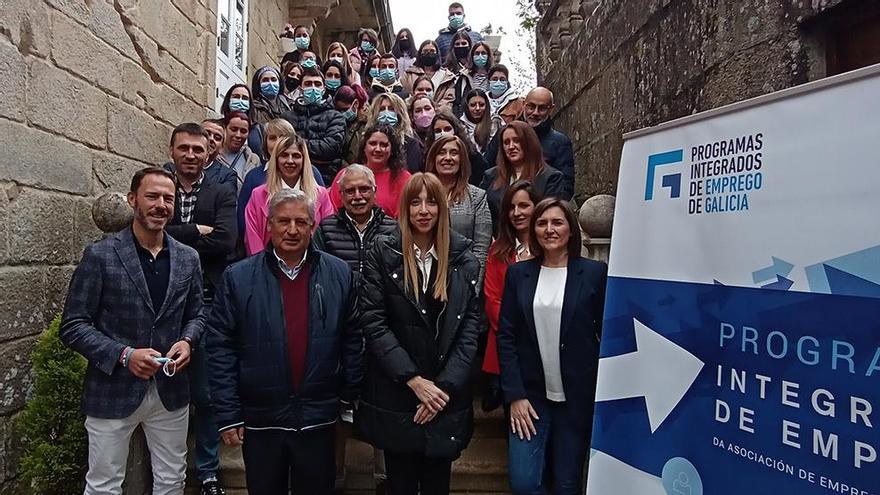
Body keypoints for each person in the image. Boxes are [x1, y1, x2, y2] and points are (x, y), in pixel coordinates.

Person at [207, 188, 362, 495]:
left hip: (318, 418)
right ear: (268, 224)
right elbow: (220, 347)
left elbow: (352, 338)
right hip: (262, 419)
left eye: (301, 222)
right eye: (283, 221)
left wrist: (347, 393)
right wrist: (227, 414)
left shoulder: (339, 274)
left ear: (313, 226)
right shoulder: (238, 277)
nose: (292, 230)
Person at [60, 167, 203, 495]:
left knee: (172, 479)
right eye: (152, 196)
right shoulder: (100, 256)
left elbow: (197, 315)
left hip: (170, 390)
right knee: (103, 484)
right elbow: (73, 325)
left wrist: (188, 340)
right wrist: (123, 355)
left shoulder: (188, 258)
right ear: (132, 200)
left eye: (169, 198)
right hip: (113, 389)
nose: (161, 205)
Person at [356, 172, 482, 495]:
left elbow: (468, 331)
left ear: (441, 208)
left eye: (430, 202)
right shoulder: (381, 253)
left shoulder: (463, 258)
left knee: (438, 485)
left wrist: (441, 390)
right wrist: (413, 380)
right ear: (404, 208)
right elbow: (374, 322)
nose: (423, 210)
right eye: (415, 202)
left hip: (444, 398)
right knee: (400, 484)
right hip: (398, 393)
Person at [497, 198, 607, 494]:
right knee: (523, 481)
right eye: (542, 223)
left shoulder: (594, 274)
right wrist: (515, 395)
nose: (549, 229)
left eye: (557, 222)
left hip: (576, 398)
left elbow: (606, 335)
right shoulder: (519, 274)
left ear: (571, 230)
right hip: (529, 399)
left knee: (567, 482)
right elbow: (506, 336)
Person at [312, 164, 399, 492]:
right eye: (350, 191)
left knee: (384, 406)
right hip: (339, 332)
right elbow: (317, 276)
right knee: (339, 412)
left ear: (374, 192)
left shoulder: (393, 229)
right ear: (340, 194)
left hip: (383, 332)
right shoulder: (326, 229)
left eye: (364, 189)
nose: (358, 196)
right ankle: (335, 477)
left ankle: (384, 479)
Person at [162, 124, 236, 495]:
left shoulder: (222, 190)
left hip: (206, 299)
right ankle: (169, 472)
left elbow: (225, 241)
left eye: (198, 149)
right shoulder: (162, 189)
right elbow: (145, 229)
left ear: (209, 152)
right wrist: (196, 231)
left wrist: (171, 234)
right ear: (172, 150)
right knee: (166, 392)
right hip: (161, 300)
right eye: (184, 148)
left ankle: (207, 470)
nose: (191, 155)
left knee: (206, 394)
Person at [480, 180, 538, 412]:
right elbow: (493, 299)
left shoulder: (548, 247)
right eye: (511, 207)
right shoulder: (498, 251)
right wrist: (516, 333)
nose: (517, 213)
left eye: (524, 206)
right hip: (507, 346)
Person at [237, 119, 325, 241]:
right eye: (272, 138)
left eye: (283, 137)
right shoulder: (256, 186)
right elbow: (247, 225)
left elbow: (327, 227)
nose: (290, 160)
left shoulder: (317, 184)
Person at [244, 134, 333, 254]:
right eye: (284, 155)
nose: (290, 161)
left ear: (304, 160)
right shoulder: (258, 195)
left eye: (296, 156)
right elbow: (252, 239)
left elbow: (329, 235)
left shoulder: (321, 195)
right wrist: (263, 268)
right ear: (276, 159)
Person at [483, 87, 575, 199]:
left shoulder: (560, 143)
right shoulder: (504, 134)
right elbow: (485, 167)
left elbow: (565, 188)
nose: (535, 113)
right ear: (524, 105)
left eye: (541, 108)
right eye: (531, 106)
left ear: (551, 110)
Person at [424, 135, 491, 284]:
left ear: (462, 160)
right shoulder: (421, 194)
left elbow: (481, 250)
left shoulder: (477, 197)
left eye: (454, 153)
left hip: (463, 279)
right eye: (441, 152)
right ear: (433, 159)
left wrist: (473, 288)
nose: (447, 158)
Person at [480, 121, 566, 230]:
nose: (511, 147)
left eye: (517, 141)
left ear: (529, 142)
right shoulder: (490, 176)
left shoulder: (551, 177)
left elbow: (550, 215)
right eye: (506, 142)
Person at [329, 125, 412, 218]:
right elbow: (333, 211)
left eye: (384, 145)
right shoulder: (345, 175)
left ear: (392, 149)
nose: (378, 149)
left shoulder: (404, 178)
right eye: (373, 144)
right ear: (364, 147)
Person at [283, 67, 347, 184]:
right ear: (301, 88)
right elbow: (282, 147)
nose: (313, 87)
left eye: (317, 84)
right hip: (292, 178)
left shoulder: (335, 116)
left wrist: (298, 143)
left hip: (325, 179)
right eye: (308, 84)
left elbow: (331, 147)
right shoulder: (287, 117)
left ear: (323, 89)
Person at [365, 93, 423, 173]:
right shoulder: (366, 142)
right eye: (382, 109)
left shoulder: (411, 144)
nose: (386, 113)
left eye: (391, 109)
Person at [426, 112, 488, 186]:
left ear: (455, 130)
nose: (443, 133)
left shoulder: (474, 157)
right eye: (438, 131)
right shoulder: (427, 157)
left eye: (447, 129)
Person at [215, 112, 261, 192]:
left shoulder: (253, 160)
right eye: (233, 129)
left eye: (243, 131)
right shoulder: (213, 156)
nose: (238, 135)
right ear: (225, 128)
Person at [441, 31, 474, 116]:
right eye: (457, 44)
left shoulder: (474, 68)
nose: (461, 46)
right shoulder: (446, 69)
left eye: (464, 43)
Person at [199, 119, 238, 189]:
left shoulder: (227, 176)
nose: (211, 139)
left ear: (222, 148)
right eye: (206, 134)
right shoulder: (179, 166)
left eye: (217, 138)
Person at [335, 85, 369, 166]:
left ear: (355, 104)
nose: (342, 113)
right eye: (339, 110)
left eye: (345, 109)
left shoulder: (369, 123)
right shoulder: (338, 123)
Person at [461, 89, 499, 154]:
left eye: (481, 105)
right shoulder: (460, 125)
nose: (478, 108)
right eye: (473, 105)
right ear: (467, 106)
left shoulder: (495, 122)